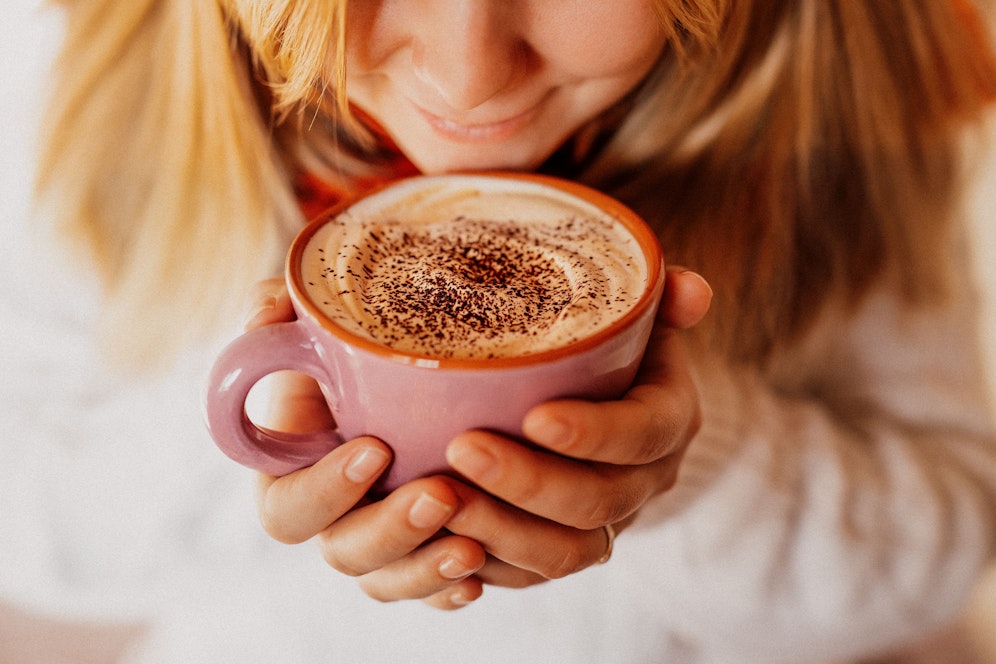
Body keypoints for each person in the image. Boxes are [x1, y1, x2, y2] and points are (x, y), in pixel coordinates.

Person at [3, 0, 996, 662]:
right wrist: (303, 412)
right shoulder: (77, 81)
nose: (469, 74)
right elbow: (26, 522)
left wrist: (684, 461)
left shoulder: (865, 100)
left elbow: (944, 550)